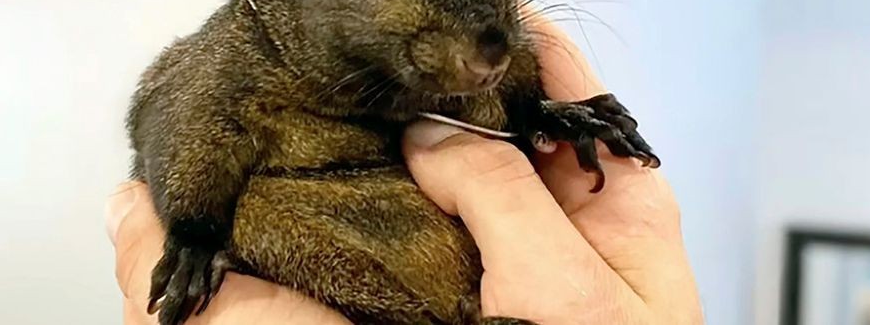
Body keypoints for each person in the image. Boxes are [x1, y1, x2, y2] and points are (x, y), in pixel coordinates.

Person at [105, 18, 704, 324]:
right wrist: (195, 232)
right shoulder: (242, 63)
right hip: (317, 226)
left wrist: (543, 116)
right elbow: (168, 121)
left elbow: (506, 81)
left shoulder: (499, 47)